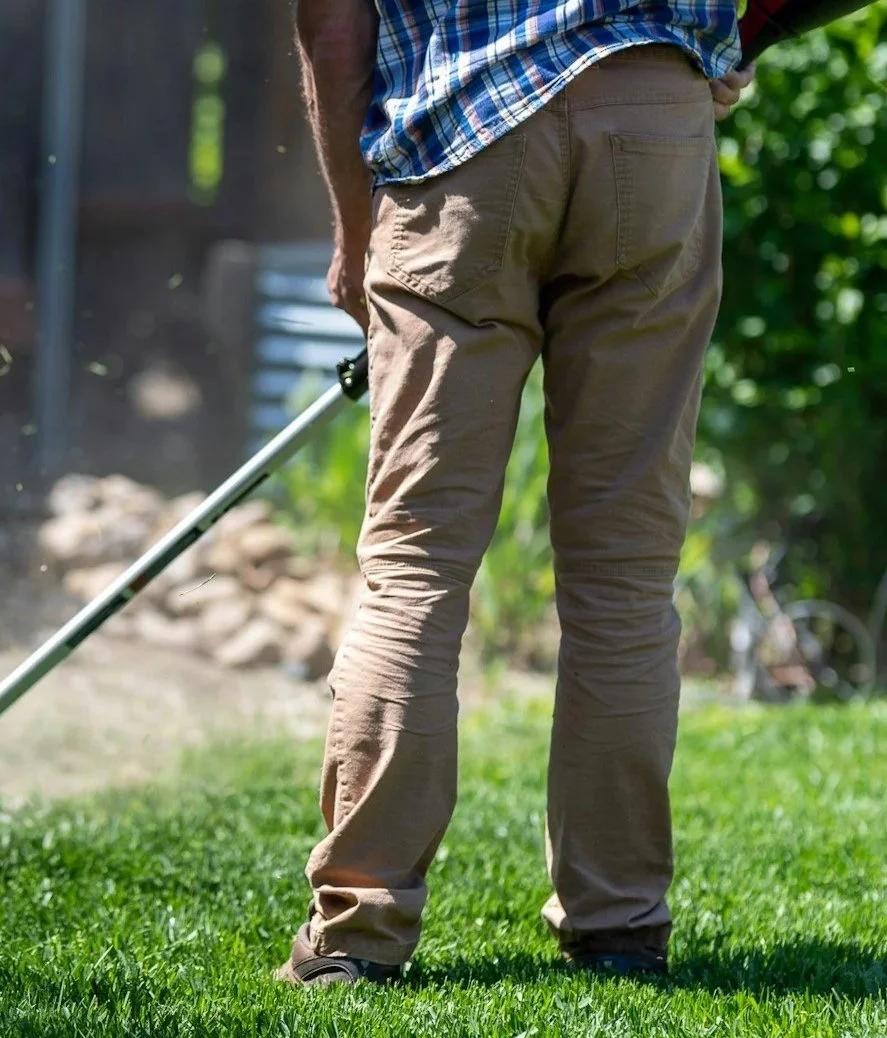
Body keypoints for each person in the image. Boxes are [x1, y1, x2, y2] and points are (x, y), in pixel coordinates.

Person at [278, 0, 757, 986]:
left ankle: (357, 934)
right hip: (651, 122)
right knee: (626, 574)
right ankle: (618, 924)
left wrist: (356, 229)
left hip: (465, 136)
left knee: (414, 562)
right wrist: (708, 51)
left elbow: (332, 22)